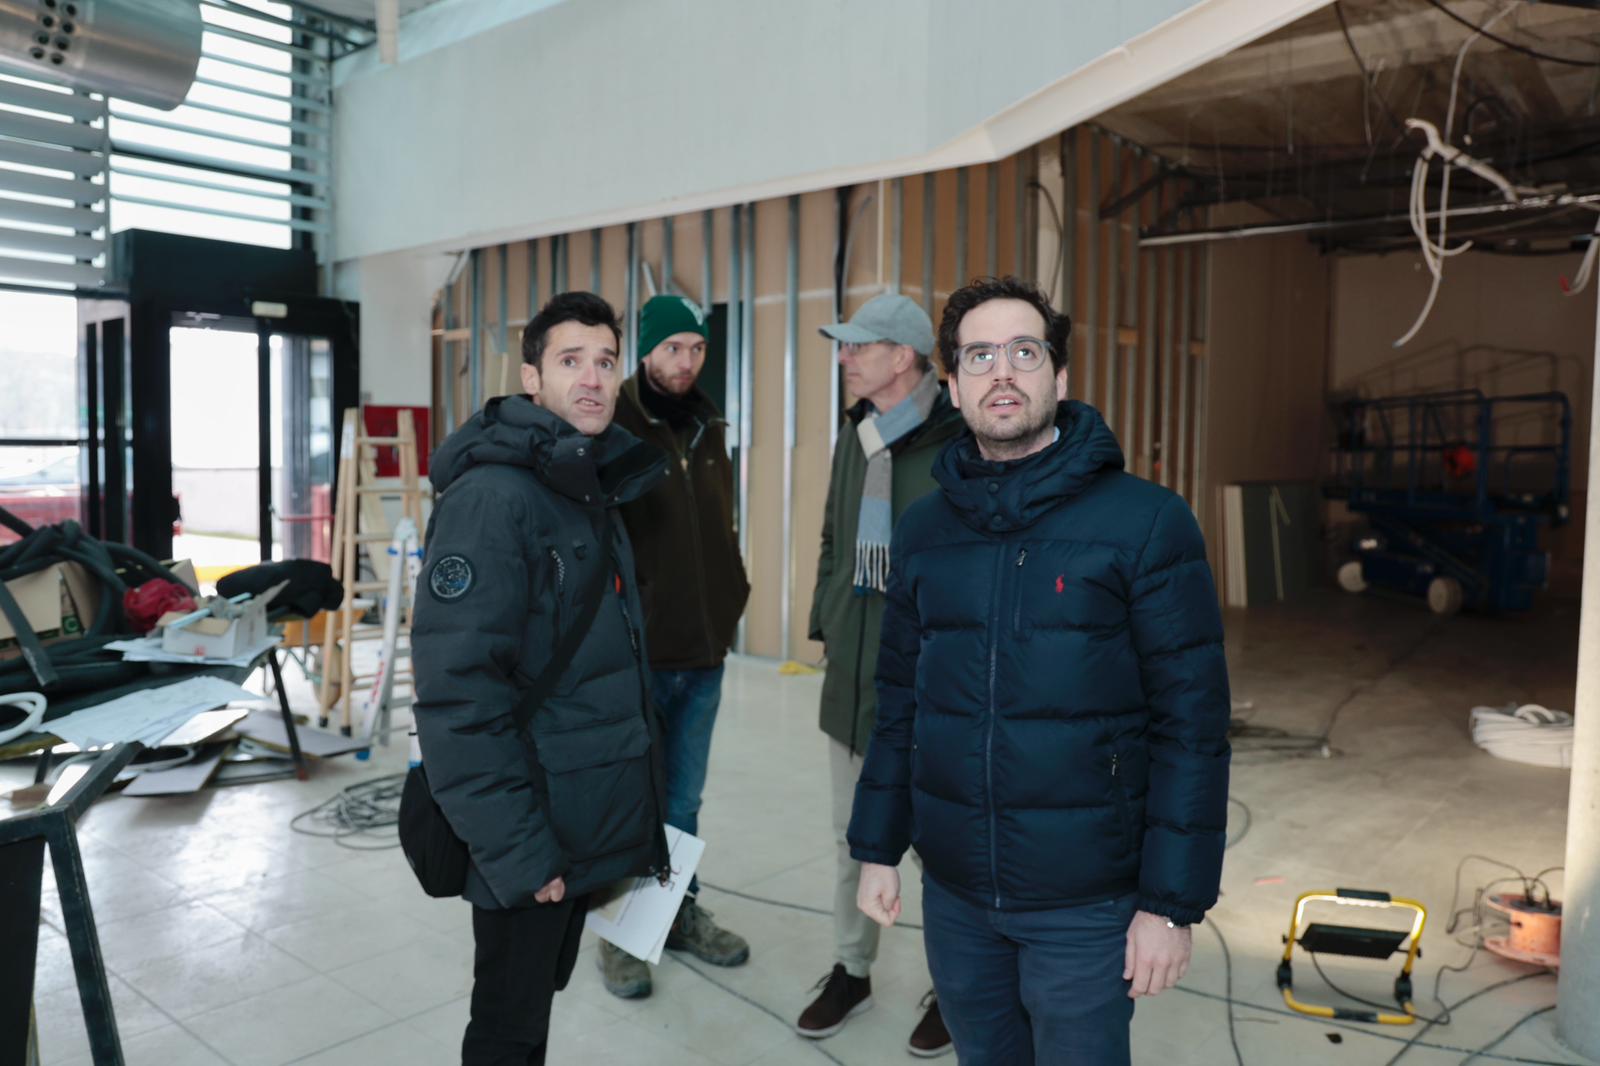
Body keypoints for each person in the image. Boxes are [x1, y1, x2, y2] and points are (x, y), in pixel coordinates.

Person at [847, 277, 1231, 1066]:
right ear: (953, 386)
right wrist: (878, 847)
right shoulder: (924, 530)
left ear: (1059, 375)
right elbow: (900, 702)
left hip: (1086, 903)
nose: (1002, 371)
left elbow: (1191, 727)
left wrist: (1169, 904)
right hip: (956, 895)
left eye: (1025, 351)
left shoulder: (1147, 523)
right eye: (979, 355)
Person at [411, 291, 670, 1065]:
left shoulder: (585, 484)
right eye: (570, 361)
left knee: (530, 1016)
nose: (592, 379)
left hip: (573, 820)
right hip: (527, 833)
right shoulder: (493, 501)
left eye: (606, 362)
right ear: (531, 378)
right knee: (507, 1029)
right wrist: (522, 855)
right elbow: (458, 697)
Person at [796, 293, 965, 1058]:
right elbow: (834, 537)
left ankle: (955, 986)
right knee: (850, 839)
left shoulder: (957, 444)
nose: (844, 357)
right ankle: (852, 970)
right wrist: (829, 622)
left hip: (926, 684)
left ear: (902, 356)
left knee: (937, 847)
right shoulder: (855, 434)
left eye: (857, 345)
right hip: (852, 674)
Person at [601, 293, 752, 998]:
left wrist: (731, 597)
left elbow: (717, 525)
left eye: (696, 348)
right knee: (633, 799)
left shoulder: (708, 424)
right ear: (647, 351)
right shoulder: (618, 425)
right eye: (673, 348)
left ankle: (676, 913)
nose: (686, 361)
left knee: (684, 803)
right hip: (640, 655)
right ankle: (621, 936)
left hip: (704, 649)